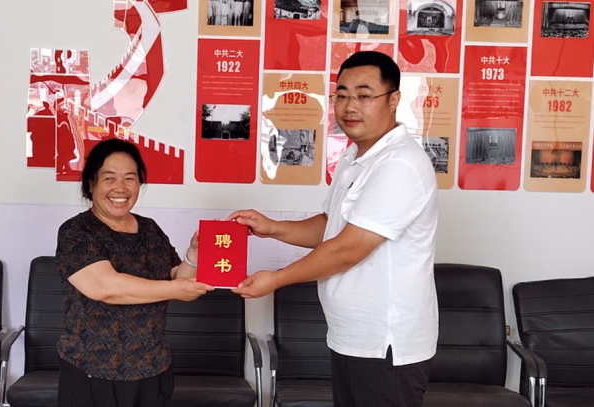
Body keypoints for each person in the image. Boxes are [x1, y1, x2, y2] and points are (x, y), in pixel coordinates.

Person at [228, 51, 439, 407]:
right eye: (341, 95)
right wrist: (272, 228)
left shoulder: (399, 164)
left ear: (394, 100)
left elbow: (348, 248)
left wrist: (275, 280)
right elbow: (332, 227)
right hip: (352, 336)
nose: (350, 106)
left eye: (364, 95)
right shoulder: (355, 156)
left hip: (385, 343)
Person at [54, 138, 214, 407]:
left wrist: (193, 255)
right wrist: (175, 290)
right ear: (91, 184)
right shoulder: (76, 231)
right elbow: (106, 288)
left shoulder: (150, 229)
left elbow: (178, 277)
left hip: (153, 368)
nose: (121, 188)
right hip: (93, 371)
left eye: (130, 178)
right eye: (109, 178)